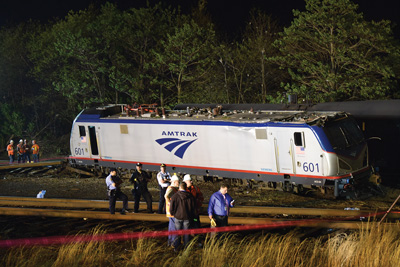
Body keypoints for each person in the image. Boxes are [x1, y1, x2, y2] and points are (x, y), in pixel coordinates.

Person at [170, 182, 196, 249]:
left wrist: (172, 213)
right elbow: (193, 207)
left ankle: (176, 247)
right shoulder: (190, 196)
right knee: (186, 233)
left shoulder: (175, 196)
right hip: (187, 217)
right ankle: (186, 247)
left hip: (178, 217)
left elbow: (171, 207)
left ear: (179, 187)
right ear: (186, 187)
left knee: (177, 233)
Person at [165, 174, 180, 246]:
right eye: (177, 182)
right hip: (172, 212)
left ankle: (170, 242)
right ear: (174, 182)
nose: (178, 183)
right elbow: (166, 196)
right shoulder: (171, 189)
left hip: (170, 212)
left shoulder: (172, 188)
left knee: (171, 227)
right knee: (174, 228)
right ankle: (174, 243)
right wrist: (170, 203)